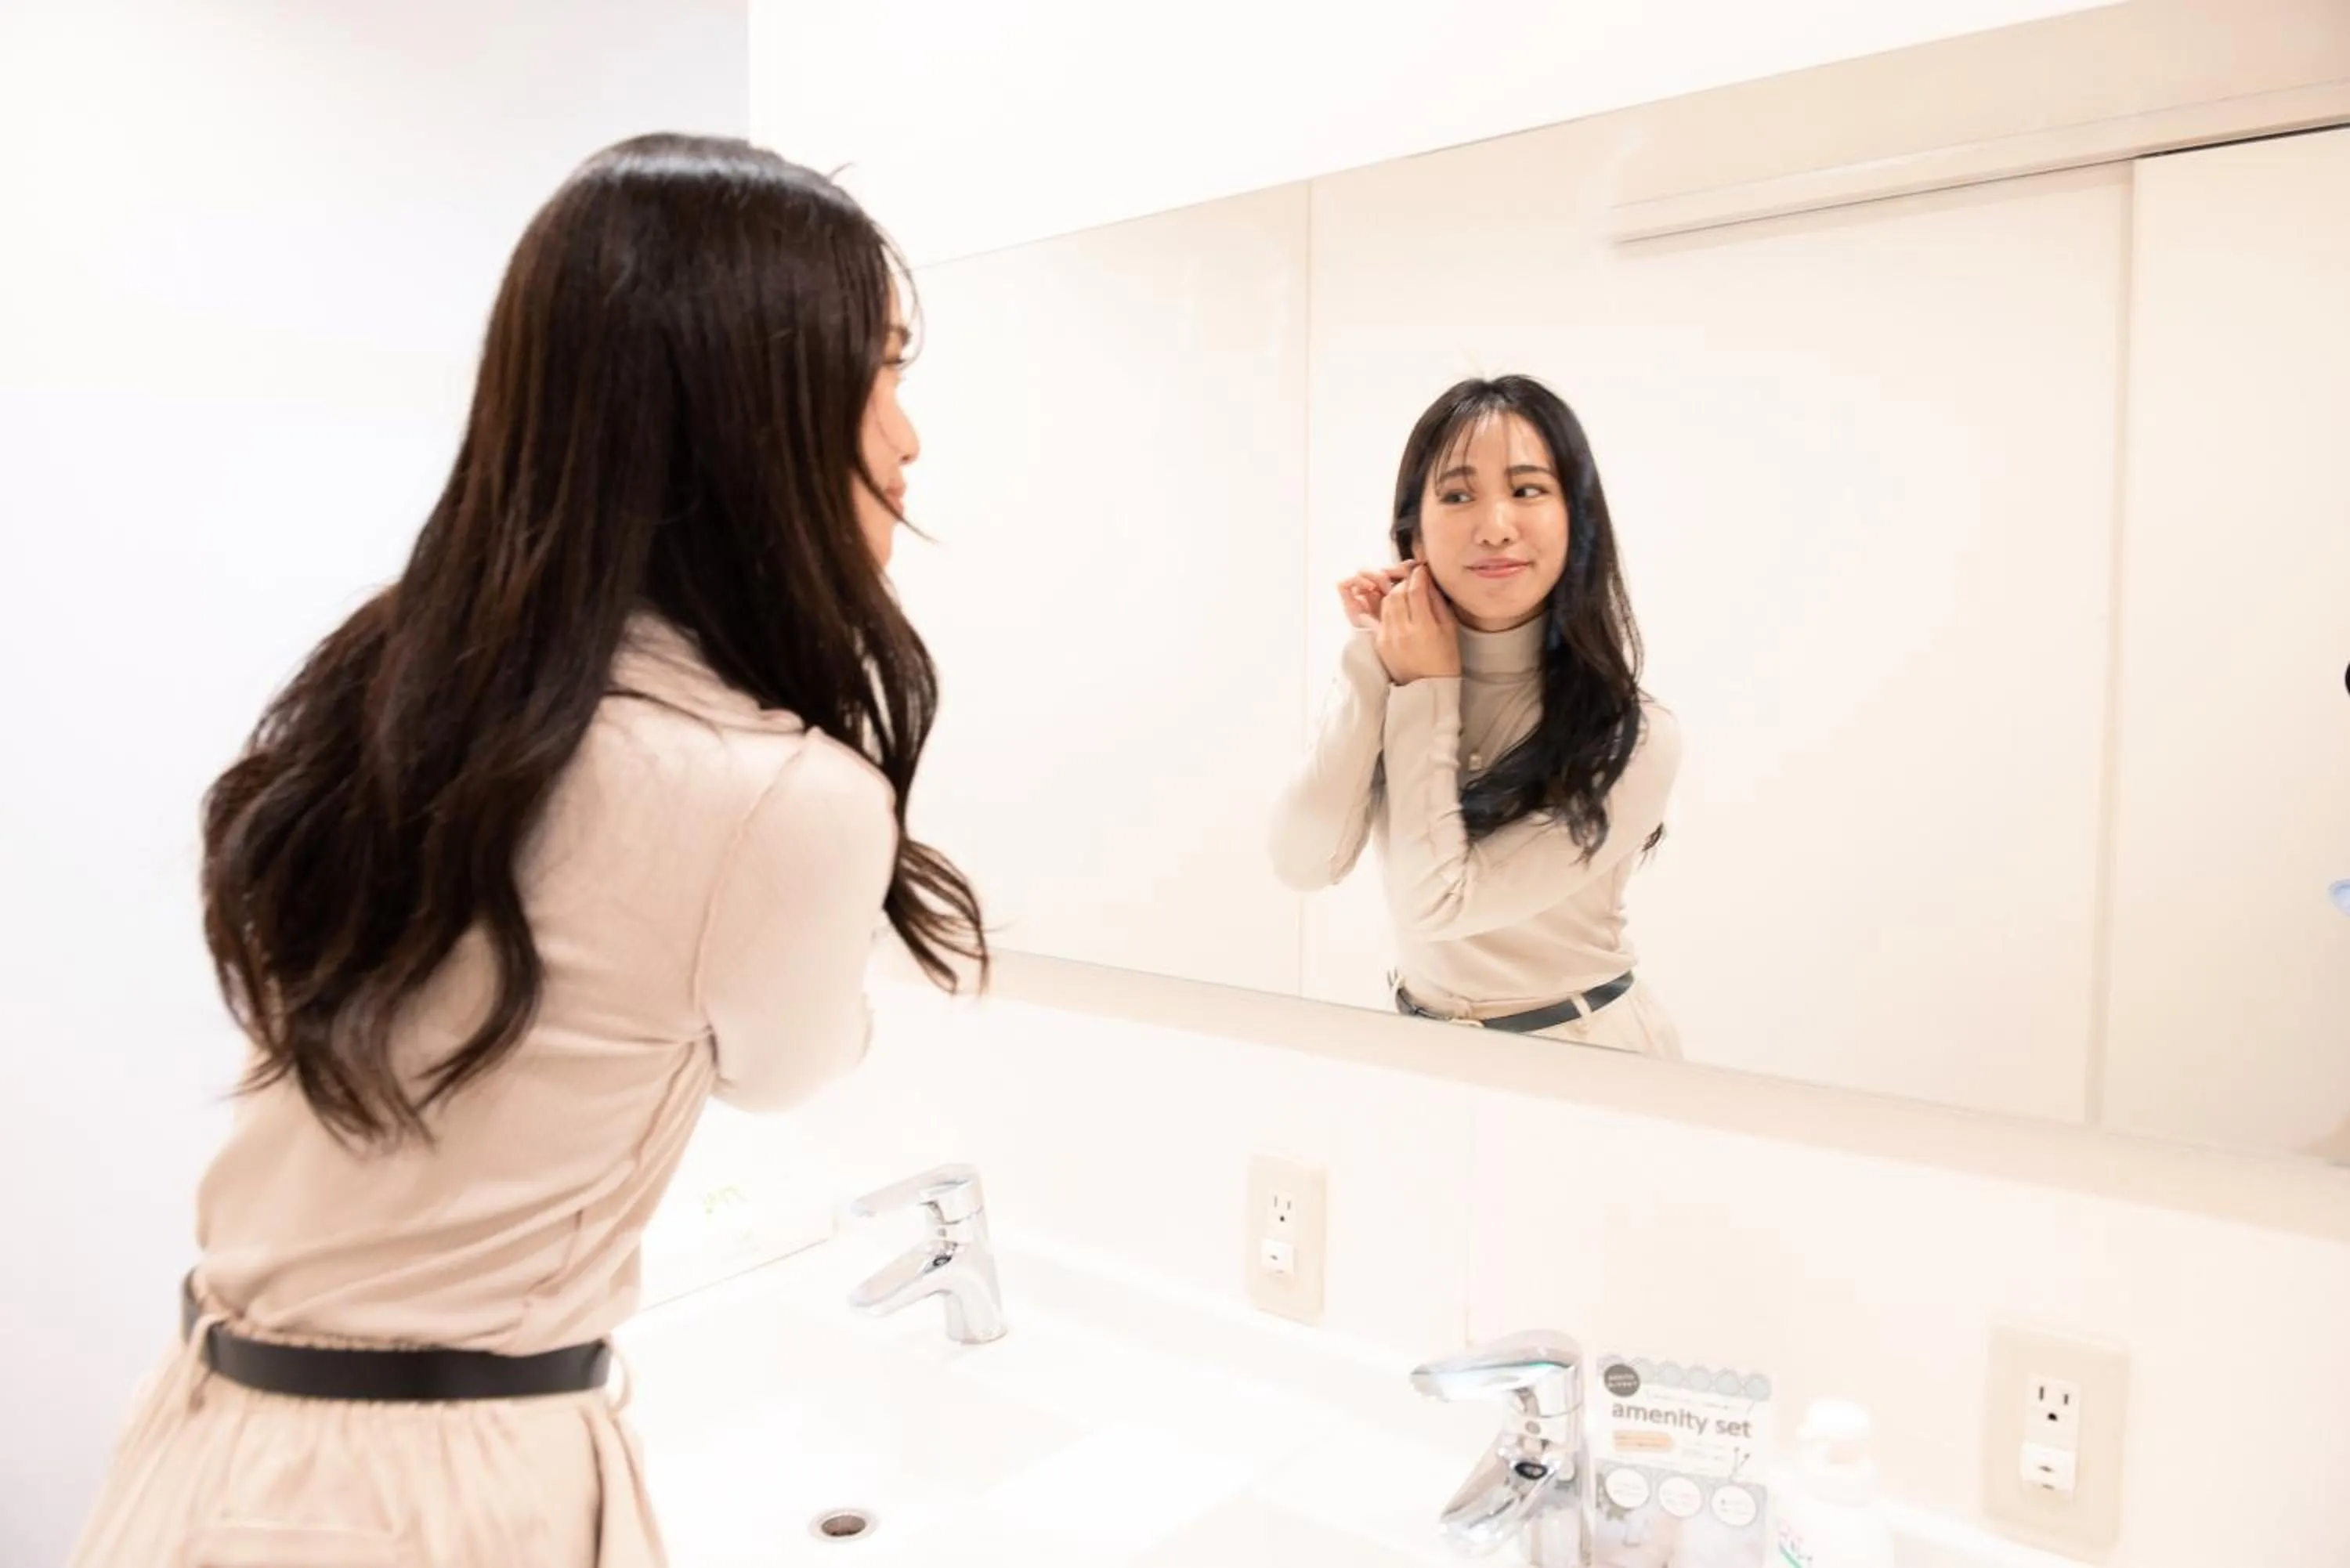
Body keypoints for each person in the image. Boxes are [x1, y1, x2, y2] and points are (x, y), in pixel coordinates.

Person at [68, 134, 985, 1568]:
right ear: (747, 402)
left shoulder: (401, 684)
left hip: (209, 1442)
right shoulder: (773, 793)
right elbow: (787, 1066)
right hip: (430, 1491)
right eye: (883, 365)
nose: (909, 435)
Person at [1270, 374, 1680, 1056]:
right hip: (1423, 1053)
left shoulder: (1634, 735)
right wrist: (1375, 662)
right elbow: (1302, 862)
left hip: (1586, 1053)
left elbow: (1439, 906)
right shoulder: (1398, 673)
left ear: (1576, 520)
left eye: (1527, 491)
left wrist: (1428, 683)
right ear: (1415, 535)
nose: (1494, 528)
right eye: (1458, 495)